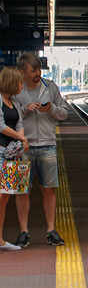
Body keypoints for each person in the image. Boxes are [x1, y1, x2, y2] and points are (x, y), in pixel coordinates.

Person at [12, 53, 68, 246]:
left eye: (39, 69)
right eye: (33, 70)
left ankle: (51, 230)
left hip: (47, 145)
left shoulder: (50, 87)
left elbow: (64, 113)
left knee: (49, 189)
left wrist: (52, 108)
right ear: (22, 72)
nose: (38, 73)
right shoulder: (15, 90)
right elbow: (8, 116)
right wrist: (25, 109)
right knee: (22, 190)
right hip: (22, 147)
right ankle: (23, 232)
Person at [0, 67, 29, 251]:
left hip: (13, 154)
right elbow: (0, 125)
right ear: (11, 82)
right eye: (20, 82)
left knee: (5, 197)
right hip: (1, 152)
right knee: (0, 195)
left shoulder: (14, 101)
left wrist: (22, 135)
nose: (22, 86)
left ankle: (0, 240)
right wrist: (20, 138)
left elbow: (19, 122)